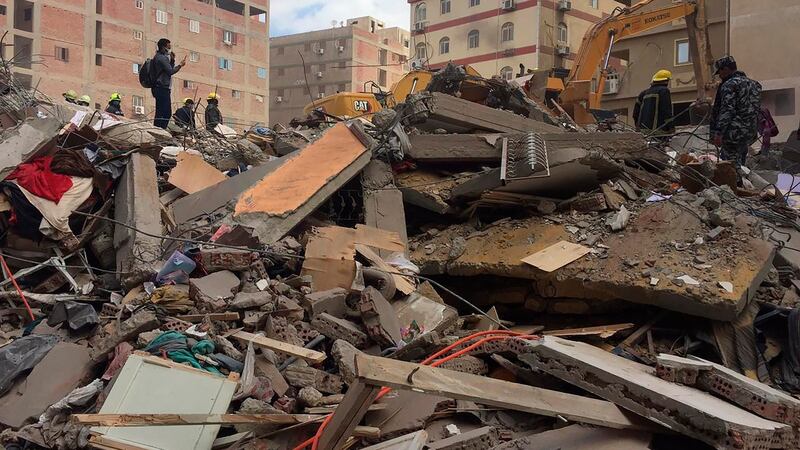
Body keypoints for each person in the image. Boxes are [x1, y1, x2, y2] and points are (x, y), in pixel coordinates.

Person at [710, 55, 762, 169]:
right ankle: (741, 183)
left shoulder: (729, 85)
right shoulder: (755, 84)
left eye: (720, 72)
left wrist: (719, 132)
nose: (719, 75)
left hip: (733, 132)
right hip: (750, 131)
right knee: (741, 163)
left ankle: (734, 185)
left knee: (730, 166)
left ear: (726, 69)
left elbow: (727, 110)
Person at [151, 38, 186, 129]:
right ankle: (159, 129)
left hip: (161, 88)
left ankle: (159, 129)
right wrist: (180, 65)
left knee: (162, 111)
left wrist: (172, 60)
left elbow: (167, 70)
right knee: (164, 112)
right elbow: (170, 71)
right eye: (168, 46)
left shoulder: (160, 57)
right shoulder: (161, 58)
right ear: (164, 47)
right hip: (161, 88)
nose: (170, 48)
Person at [632, 69, 675, 136]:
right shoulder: (664, 91)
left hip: (643, 133)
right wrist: (671, 127)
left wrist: (638, 126)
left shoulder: (643, 93)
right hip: (659, 133)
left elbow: (635, 113)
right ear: (666, 81)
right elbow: (666, 111)